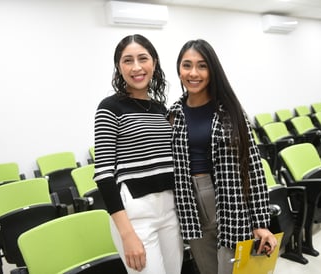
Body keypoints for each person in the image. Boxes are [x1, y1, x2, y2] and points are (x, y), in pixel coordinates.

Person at [168, 39, 277, 274]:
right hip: (189, 203)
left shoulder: (230, 111)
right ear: (179, 70)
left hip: (229, 200)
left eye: (202, 66)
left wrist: (260, 222)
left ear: (212, 70)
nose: (193, 73)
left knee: (235, 270)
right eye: (187, 65)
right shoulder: (173, 114)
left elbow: (253, 169)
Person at [93, 34, 183, 274]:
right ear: (119, 67)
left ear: (153, 62)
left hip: (170, 210)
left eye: (142, 58)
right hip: (136, 216)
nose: (136, 67)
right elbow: (103, 174)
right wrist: (127, 234)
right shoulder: (109, 108)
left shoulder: (160, 109)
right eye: (127, 60)